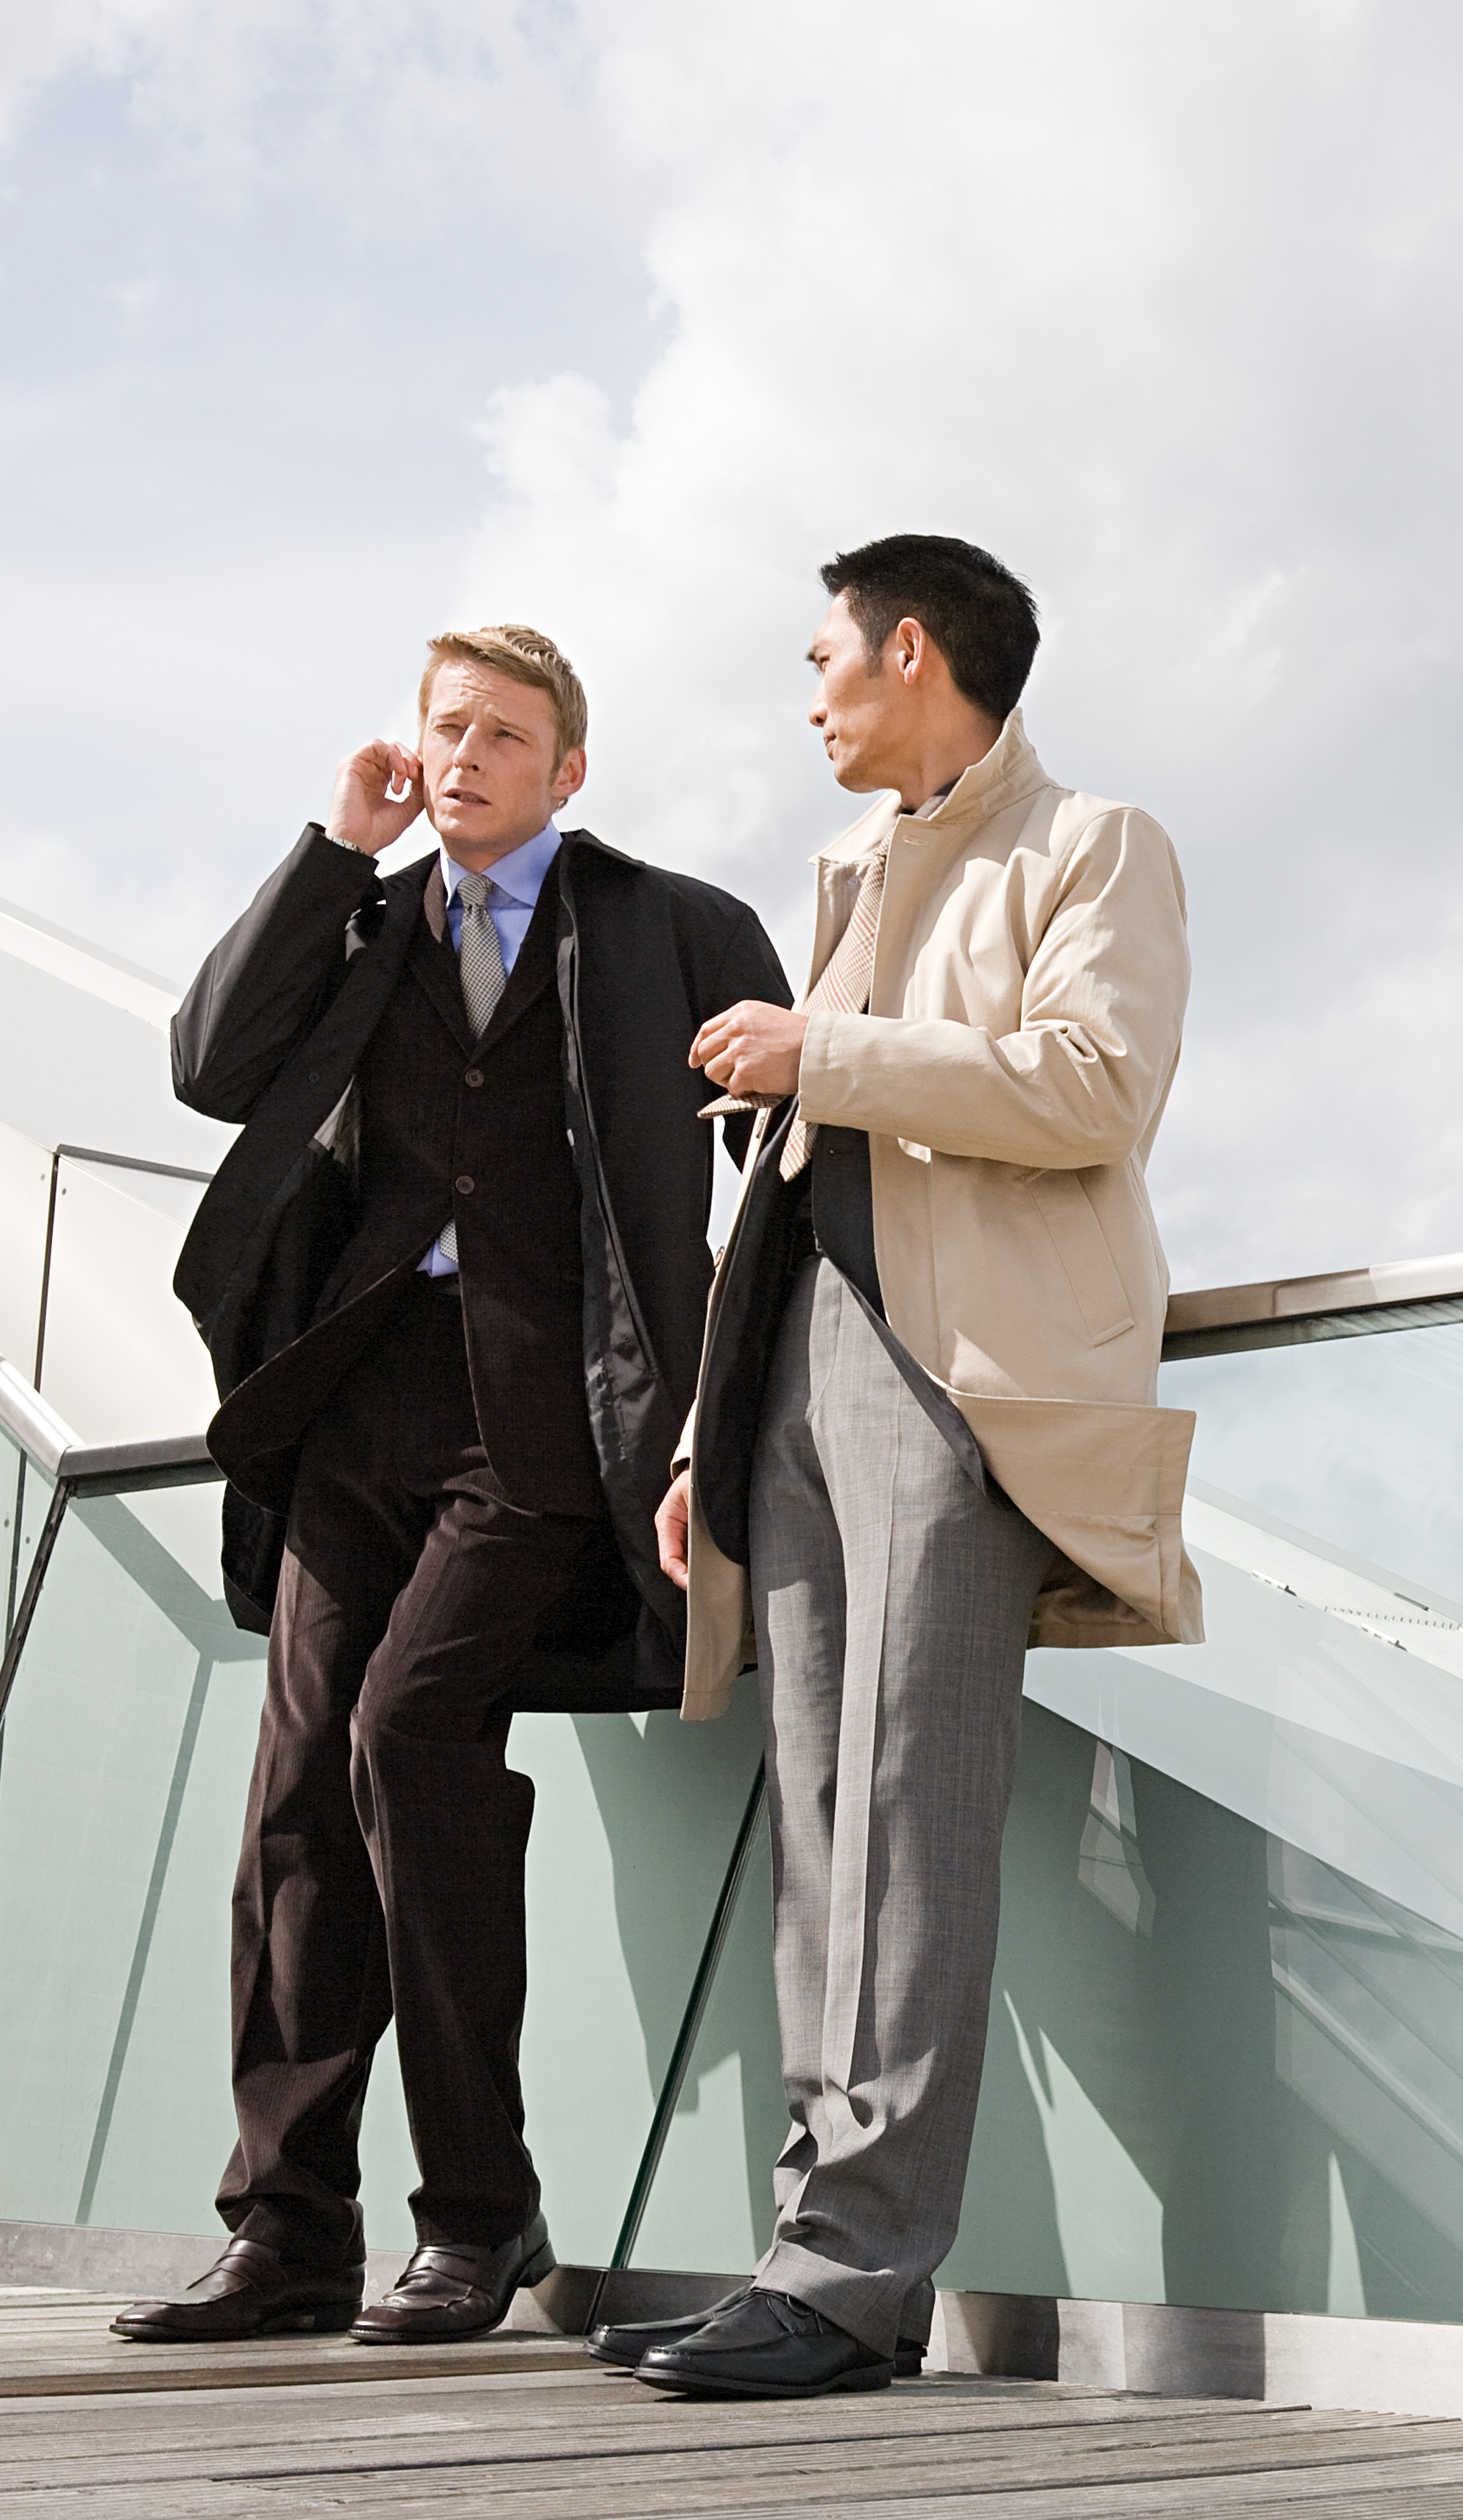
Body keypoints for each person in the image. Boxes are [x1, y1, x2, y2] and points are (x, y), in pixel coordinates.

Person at [117, 625, 788, 2346]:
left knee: (407, 1740)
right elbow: (206, 1064)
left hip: (554, 1419)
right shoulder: (361, 921)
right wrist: (337, 843)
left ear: (570, 771)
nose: (468, 755)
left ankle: (478, 2215)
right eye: (445, 729)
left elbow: (783, 1178)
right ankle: (287, 2233)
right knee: (297, 1807)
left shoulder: (672, 929)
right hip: (354, 1411)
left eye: (506, 734)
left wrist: (723, 1417)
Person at [607, 535, 1201, 2398]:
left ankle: (859, 2269)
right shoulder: (861, 866)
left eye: (823, 663)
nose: (808, 701)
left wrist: (824, 1046)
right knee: (814, 1831)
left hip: (957, 1391)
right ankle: (810, 2250)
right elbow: (802, 1185)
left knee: (910, 1819)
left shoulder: (1091, 842)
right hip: (801, 1378)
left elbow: (1097, 1085)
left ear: (913, 651)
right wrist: (717, 1422)